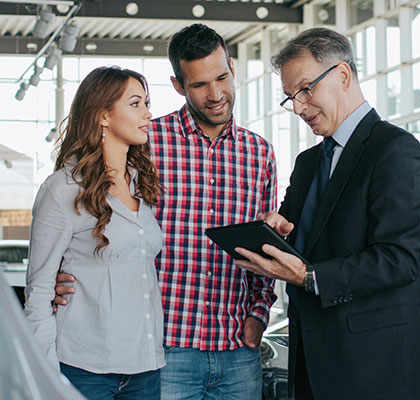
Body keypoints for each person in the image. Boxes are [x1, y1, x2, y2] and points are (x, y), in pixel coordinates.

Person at [54, 24, 278, 399]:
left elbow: (265, 246)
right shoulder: (144, 143)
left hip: (239, 350)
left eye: (222, 77)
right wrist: (64, 273)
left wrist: (258, 313)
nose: (216, 94)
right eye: (199, 85)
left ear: (233, 68)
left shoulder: (260, 154)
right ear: (178, 86)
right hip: (163, 349)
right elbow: (82, 203)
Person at [234, 27, 420, 400]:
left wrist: (310, 275)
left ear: (343, 76)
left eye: (305, 89)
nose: (297, 106)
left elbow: (400, 259)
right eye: (290, 97)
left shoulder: (395, 150)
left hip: (374, 370)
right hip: (312, 363)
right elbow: (305, 240)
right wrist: (277, 233)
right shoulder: (309, 162)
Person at [24, 66, 164, 399]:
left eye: (146, 103)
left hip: (146, 367)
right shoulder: (62, 189)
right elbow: (40, 290)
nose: (148, 113)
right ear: (103, 115)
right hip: (83, 371)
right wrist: (44, 375)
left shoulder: (142, 183)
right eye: (136, 104)